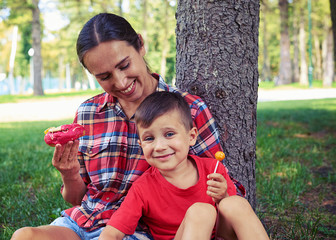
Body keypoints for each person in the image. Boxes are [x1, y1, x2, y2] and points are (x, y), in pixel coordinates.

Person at [11, 13, 261, 240]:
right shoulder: (88, 114)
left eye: (124, 65)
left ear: (140, 45)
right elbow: (78, 198)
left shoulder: (188, 109)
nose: (120, 82)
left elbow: (218, 181)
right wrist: (69, 173)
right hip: (83, 224)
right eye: (104, 77)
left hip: (138, 232)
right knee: (24, 236)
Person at [98, 92, 269, 240]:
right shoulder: (142, 188)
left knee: (235, 203)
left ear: (192, 136)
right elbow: (113, 232)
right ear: (141, 145)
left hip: (220, 234)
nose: (159, 146)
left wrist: (222, 195)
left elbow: (229, 216)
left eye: (169, 134)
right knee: (201, 211)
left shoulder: (213, 169)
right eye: (149, 138)